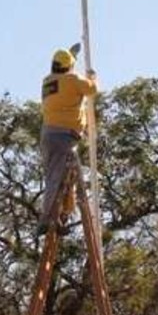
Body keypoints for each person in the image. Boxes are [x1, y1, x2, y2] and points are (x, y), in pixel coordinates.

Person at [38, 47, 98, 231]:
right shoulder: (73, 80)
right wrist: (92, 76)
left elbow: (65, 79)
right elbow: (91, 89)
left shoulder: (48, 81)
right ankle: (47, 219)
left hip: (49, 134)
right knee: (57, 178)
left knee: (65, 178)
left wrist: (71, 57)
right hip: (63, 136)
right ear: (69, 67)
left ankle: (61, 216)